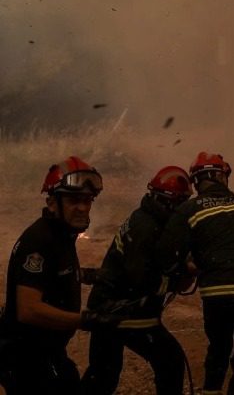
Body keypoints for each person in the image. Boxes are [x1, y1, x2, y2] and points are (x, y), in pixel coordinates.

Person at [0, 156, 122, 394]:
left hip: (49, 352)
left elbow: (53, 275)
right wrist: (87, 320)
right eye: (74, 200)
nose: (83, 207)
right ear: (52, 203)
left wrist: (91, 275)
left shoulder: (62, 235)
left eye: (87, 200)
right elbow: (29, 310)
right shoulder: (39, 241)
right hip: (27, 358)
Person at [157, 152, 234, 395]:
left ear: (196, 181)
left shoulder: (190, 208)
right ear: (223, 177)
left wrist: (188, 267)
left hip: (220, 290)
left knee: (219, 349)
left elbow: (167, 253)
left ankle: (211, 390)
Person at [81, 166, 194, 395]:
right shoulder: (146, 228)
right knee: (169, 360)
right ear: (166, 202)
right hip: (121, 310)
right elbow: (141, 280)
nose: (183, 211)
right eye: (180, 204)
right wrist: (180, 273)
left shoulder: (148, 218)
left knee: (102, 376)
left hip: (111, 306)